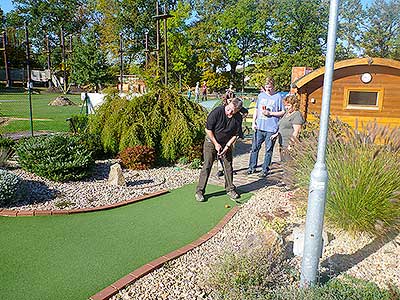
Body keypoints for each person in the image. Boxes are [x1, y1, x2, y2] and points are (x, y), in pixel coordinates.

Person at [195, 98, 243, 202]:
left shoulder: (238, 117)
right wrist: (216, 144)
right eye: (229, 109)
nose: (229, 112)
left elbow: (236, 134)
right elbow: (208, 129)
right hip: (211, 142)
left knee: (228, 166)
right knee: (207, 165)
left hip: (226, 143)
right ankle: (199, 191)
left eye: (233, 111)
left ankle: (230, 189)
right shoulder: (217, 112)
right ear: (228, 104)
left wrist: (227, 147)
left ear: (238, 111)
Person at [247, 77, 285, 177]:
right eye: (266, 87)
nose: (268, 89)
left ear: (273, 87)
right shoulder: (261, 96)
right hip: (259, 126)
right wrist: (253, 122)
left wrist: (270, 113)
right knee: (255, 148)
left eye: (270, 87)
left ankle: (265, 169)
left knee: (268, 150)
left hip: (271, 128)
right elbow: (256, 109)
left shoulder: (278, 97)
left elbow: (282, 112)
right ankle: (251, 167)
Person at [216, 93, 248, 177]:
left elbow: (245, 111)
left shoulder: (236, 107)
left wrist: (240, 117)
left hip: (232, 133)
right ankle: (220, 168)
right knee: (219, 152)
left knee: (229, 151)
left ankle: (228, 168)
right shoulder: (223, 107)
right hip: (222, 132)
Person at [270, 94, 304, 161]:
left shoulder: (296, 114)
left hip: (289, 144)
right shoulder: (286, 114)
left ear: (294, 105)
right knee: (283, 163)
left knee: (289, 165)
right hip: (282, 143)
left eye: (288, 105)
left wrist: (291, 145)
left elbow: (296, 131)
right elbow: (282, 126)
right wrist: (276, 134)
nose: (286, 107)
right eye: (285, 105)